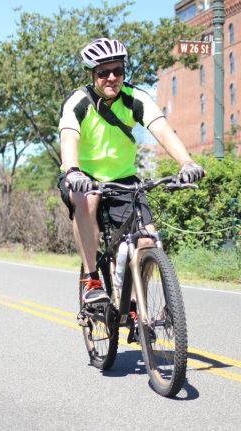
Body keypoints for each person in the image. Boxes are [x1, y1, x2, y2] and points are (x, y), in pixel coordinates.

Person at [58, 37, 205, 304]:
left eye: (118, 71)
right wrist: (73, 172)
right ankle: (91, 280)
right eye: (103, 73)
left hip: (123, 178)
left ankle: (136, 303)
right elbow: (69, 138)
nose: (112, 77)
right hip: (83, 177)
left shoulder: (136, 98)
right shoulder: (78, 102)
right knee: (86, 199)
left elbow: (161, 130)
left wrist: (186, 162)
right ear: (93, 75)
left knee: (147, 241)